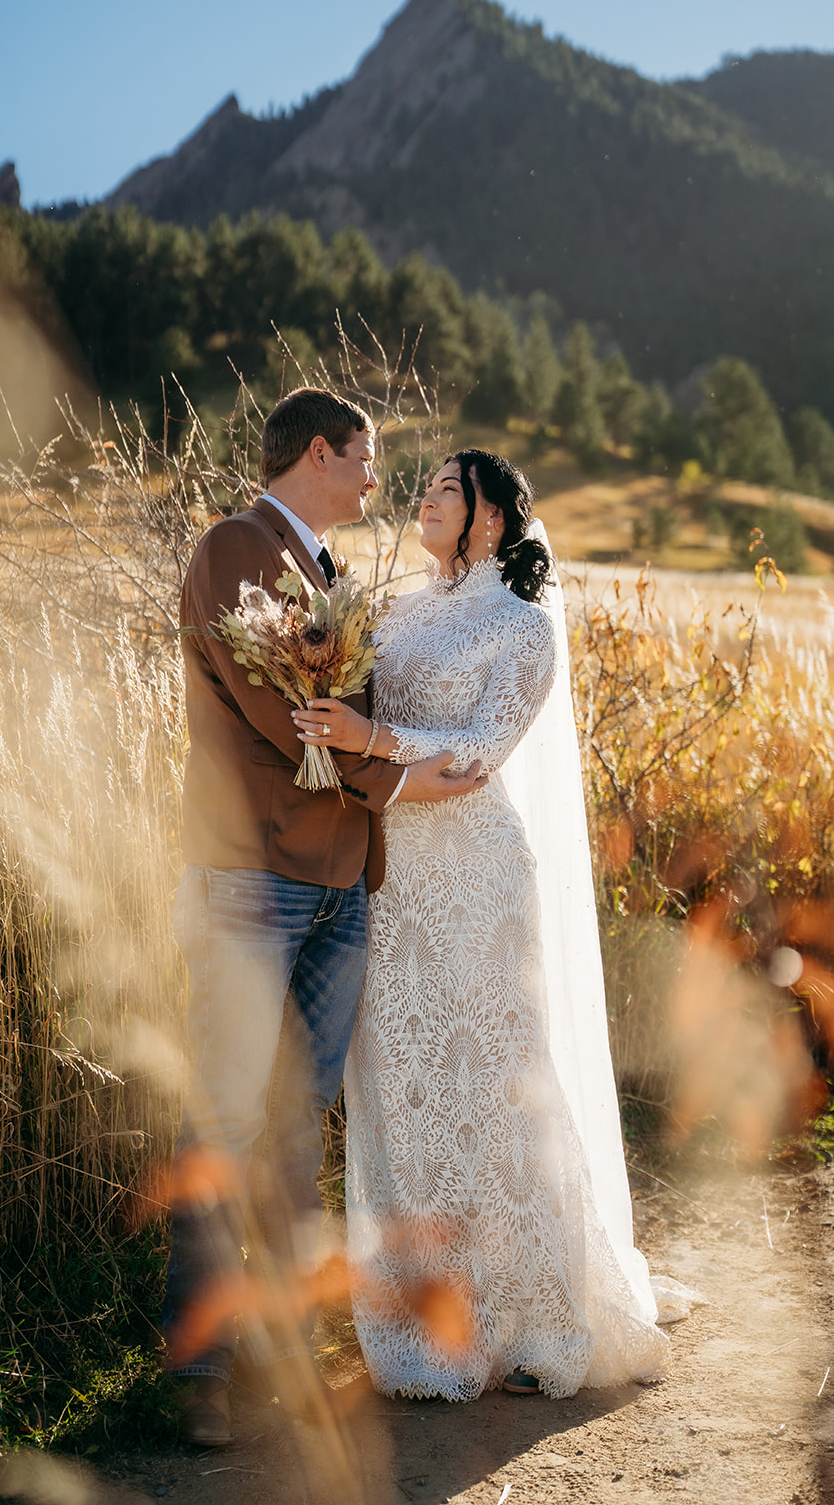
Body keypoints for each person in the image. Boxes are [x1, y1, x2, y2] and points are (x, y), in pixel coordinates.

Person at [293, 449, 673, 1400]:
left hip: (475, 878)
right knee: (402, 1091)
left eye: (449, 489)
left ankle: (532, 1314)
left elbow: (479, 757)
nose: (425, 494)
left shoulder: (522, 627)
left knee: (493, 1091)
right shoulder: (392, 610)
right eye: (423, 484)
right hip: (386, 873)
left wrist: (367, 739)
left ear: (494, 520)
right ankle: (423, 1321)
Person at [163, 390, 489, 1446]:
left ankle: (281, 1351)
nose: (375, 477)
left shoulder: (328, 575)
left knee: (295, 1125)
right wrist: (398, 772)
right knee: (222, 1119)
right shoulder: (231, 549)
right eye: (365, 456)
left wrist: (375, 757)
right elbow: (288, 722)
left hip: (338, 889)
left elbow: (327, 729)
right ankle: (199, 1368)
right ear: (318, 451)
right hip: (251, 878)